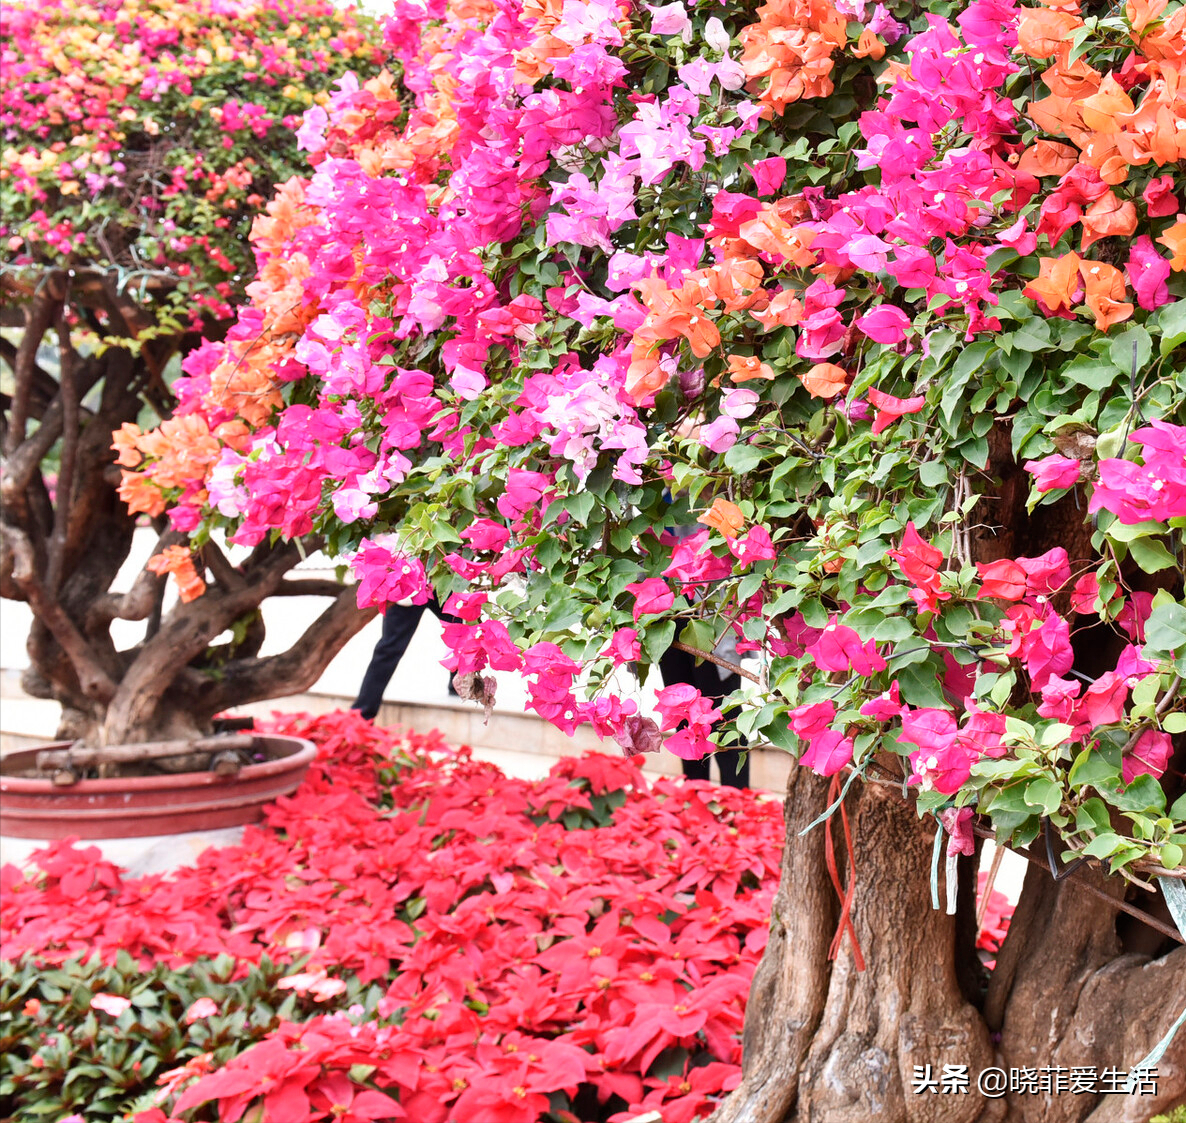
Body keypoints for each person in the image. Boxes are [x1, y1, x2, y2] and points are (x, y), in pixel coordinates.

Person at [658, 636, 750, 789]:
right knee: (683, 718)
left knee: (726, 722)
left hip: (710, 631)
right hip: (667, 630)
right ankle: (696, 798)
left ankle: (735, 801)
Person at [352, 598, 459, 721]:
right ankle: (362, 715)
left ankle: (460, 686)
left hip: (440, 581)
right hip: (407, 587)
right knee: (389, 648)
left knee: (465, 630)